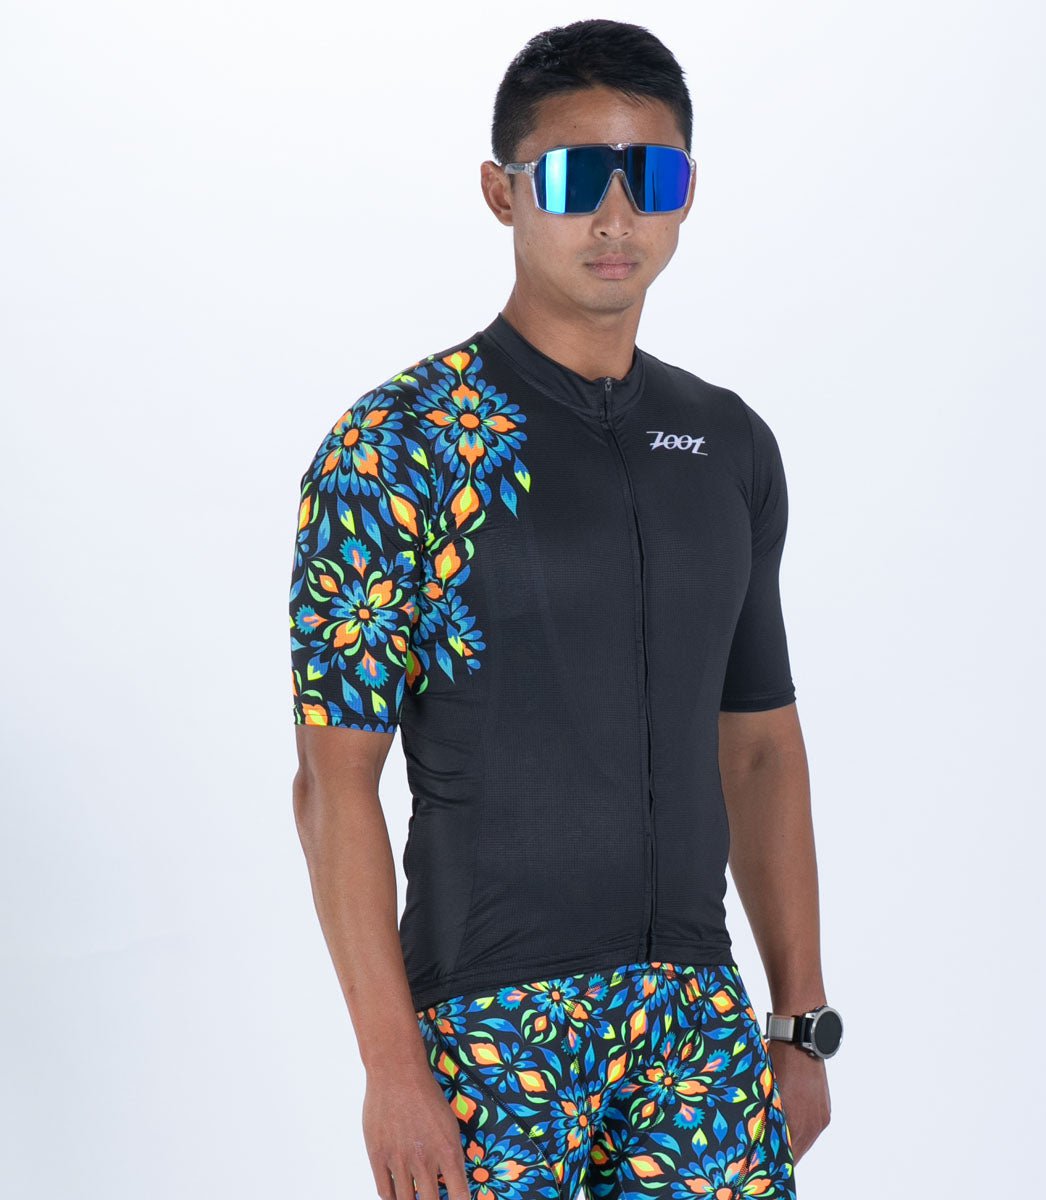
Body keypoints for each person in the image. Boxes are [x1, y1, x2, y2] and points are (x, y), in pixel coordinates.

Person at [288, 18, 836, 1200]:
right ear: (504, 192)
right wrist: (392, 1070)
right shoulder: (399, 446)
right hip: (489, 1028)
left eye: (654, 178)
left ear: (689, 195)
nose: (617, 216)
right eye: (581, 176)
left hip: (697, 1025)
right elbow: (333, 783)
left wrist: (799, 1024)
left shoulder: (726, 444)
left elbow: (759, 746)